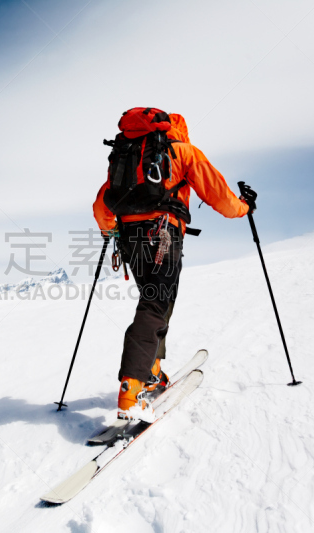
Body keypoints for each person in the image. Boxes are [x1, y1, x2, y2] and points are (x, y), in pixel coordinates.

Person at [92, 107, 253, 420]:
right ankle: (132, 389)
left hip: (130, 238)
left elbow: (104, 200)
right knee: (155, 303)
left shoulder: (127, 154)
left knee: (157, 298)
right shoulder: (182, 152)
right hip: (164, 234)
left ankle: (151, 369)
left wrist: (109, 229)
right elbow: (219, 195)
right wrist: (244, 208)